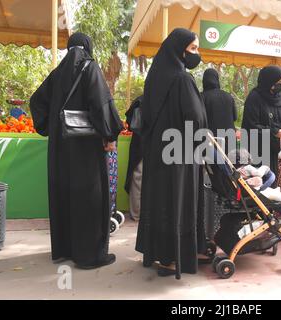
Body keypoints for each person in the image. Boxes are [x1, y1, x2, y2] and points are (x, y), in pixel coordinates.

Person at [29, 33, 124, 269]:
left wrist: (50, 126)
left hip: (60, 150)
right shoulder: (90, 68)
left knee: (65, 196)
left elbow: (36, 101)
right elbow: (102, 104)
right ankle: (89, 255)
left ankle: (65, 250)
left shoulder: (57, 74)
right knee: (89, 199)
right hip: (86, 149)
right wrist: (109, 134)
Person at [135, 28, 208, 279]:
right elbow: (196, 118)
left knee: (160, 202)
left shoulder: (154, 77)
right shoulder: (182, 79)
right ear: (180, 49)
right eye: (193, 49)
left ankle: (159, 254)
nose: (197, 54)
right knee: (177, 202)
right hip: (180, 153)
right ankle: (173, 257)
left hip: (157, 151)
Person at [241, 66, 281, 182]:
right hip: (256, 150)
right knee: (257, 185)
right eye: (279, 82)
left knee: (271, 181)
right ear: (269, 81)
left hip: (273, 150)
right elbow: (251, 126)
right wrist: (275, 132)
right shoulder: (254, 97)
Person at [201, 68, 237, 137]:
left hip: (210, 142)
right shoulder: (229, 96)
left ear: (204, 80)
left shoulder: (201, 97)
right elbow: (235, 118)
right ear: (217, 80)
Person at [124, 96, 144, 221]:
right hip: (158, 144)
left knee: (137, 177)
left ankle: (136, 214)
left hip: (139, 143)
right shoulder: (163, 98)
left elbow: (130, 124)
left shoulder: (139, 100)